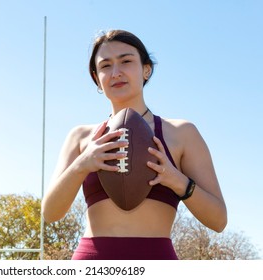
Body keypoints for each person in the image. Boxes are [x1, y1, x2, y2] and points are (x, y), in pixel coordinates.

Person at [41, 30, 227, 260]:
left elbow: (219, 220)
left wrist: (177, 180)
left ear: (146, 69)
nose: (116, 73)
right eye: (105, 66)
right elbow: (50, 213)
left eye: (126, 61)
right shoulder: (80, 136)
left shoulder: (182, 133)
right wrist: (83, 164)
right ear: (96, 78)